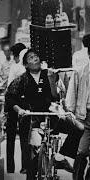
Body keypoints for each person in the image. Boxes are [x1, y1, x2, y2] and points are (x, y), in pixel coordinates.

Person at [5, 49, 82, 180]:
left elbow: (56, 95)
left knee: (78, 128)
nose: (34, 59)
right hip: (31, 118)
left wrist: (52, 80)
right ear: (25, 65)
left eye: (36, 56)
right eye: (30, 58)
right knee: (31, 155)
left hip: (52, 115)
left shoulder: (50, 74)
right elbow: (10, 97)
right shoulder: (21, 80)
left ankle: (60, 156)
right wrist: (20, 110)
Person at [66, 34, 90, 180]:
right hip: (85, 117)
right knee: (81, 151)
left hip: (83, 116)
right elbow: (71, 96)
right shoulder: (80, 71)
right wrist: (71, 112)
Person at [5, 43, 28, 174]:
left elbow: (9, 87)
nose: (14, 58)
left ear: (18, 55)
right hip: (25, 106)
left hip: (13, 105)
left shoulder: (14, 67)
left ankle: (10, 168)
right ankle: (25, 166)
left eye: (14, 56)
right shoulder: (29, 68)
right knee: (25, 137)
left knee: (11, 138)